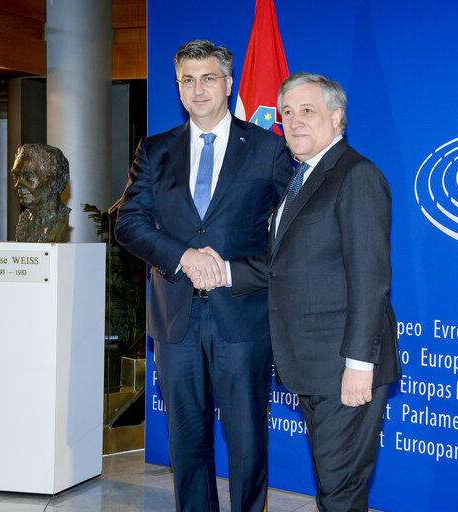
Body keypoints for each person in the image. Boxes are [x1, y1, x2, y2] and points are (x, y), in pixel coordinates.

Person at [192, 72, 400, 512]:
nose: (294, 121)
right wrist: (224, 270)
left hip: (343, 365)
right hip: (312, 365)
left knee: (340, 491)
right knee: (332, 486)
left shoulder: (356, 175)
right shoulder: (302, 177)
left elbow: (370, 278)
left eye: (308, 110)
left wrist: (359, 364)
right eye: (287, 112)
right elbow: (281, 265)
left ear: (337, 117)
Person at [114, 40, 293, 512]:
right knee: (187, 446)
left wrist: (236, 272)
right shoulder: (154, 151)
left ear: (228, 83)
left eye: (208, 78)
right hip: (175, 320)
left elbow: (292, 234)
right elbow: (128, 224)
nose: (198, 89)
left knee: (248, 444)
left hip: (243, 318)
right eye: (187, 80)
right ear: (178, 86)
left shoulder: (268, 148)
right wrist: (184, 257)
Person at [11, 143, 71, 242]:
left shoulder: (59, 222)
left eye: (29, 177)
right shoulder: (24, 222)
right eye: (16, 177)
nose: (18, 184)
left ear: (54, 181)